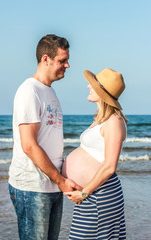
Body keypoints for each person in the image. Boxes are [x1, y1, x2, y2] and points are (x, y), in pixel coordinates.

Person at [8, 34, 81, 240]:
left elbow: (49, 141)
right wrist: (60, 180)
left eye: (67, 60)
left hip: (52, 186)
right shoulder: (29, 91)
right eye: (62, 61)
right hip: (32, 187)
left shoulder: (49, 92)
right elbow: (29, 145)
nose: (67, 65)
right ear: (45, 59)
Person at [63, 68, 127, 239]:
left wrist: (84, 193)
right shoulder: (103, 120)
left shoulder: (114, 121)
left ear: (101, 91)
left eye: (92, 84)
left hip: (99, 194)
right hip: (94, 193)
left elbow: (109, 167)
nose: (87, 86)